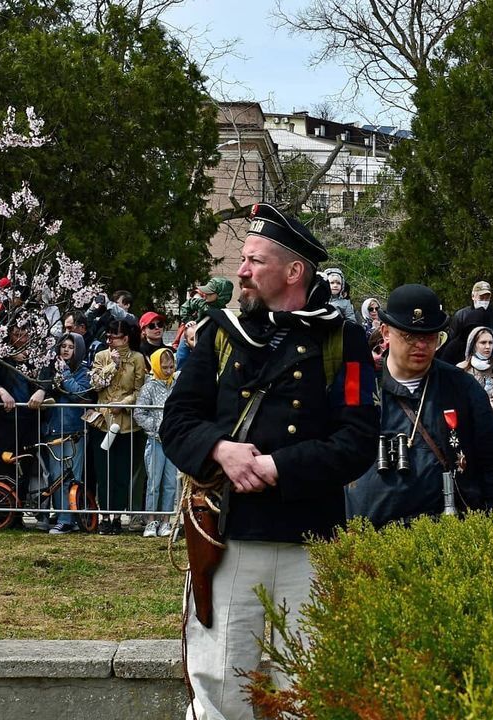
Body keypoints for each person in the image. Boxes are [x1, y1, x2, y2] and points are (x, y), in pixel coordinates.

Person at [161, 202, 378, 720]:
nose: (241, 271)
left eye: (255, 261)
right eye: (244, 259)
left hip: (309, 539)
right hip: (230, 537)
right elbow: (178, 422)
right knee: (220, 679)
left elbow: (358, 436)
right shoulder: (218, 334)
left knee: (306, 683)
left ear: (294, 271)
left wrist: (279, 467)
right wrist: (221, 450)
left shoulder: (342, 342)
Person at [345, 284, 493, 527]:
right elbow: (333, 448)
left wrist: (491, 517)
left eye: (430, 337)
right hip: (368, 531)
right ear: (386, 332)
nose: (421, 346)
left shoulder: (462, 386)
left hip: (446, 529)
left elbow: (492, 459)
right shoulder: (355, 381)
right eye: (409, 336)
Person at [86, 317, 147, 534]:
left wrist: (125, 404)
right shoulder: (102, 356)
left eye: (115, 337)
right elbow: (95, 384)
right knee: (104, 473)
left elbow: (140, 390)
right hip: (103, 422)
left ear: (126, 338)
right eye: (109, 336)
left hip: (127, 424)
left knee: (122, 473)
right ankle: (104, 515)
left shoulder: (138, 359)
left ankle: (117, 516)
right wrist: (112, 365)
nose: (111, 340)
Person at [0, 324, 42, 509]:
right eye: (16, 334)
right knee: (3, 464)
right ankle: (4, 509)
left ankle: (19, 510)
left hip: (29, 419)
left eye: (24, 334)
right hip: (6, 418)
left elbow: (49, 378)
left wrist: (42, 390)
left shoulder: (39, 355)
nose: (19, 339)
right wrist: (0, 390)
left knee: (26, 464)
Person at [33, 332, 91, 535]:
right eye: (63, 346)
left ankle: (68, 518)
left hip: (73, 430)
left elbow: (80, 394)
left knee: (71, 476)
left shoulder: (82, 371)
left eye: (70, 346)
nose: (65, 350)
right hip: (53, 429)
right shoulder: (49, 370)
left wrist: (65, 373)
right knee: (56, 477)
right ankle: (61, 516)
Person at [134, 347, 179, 538]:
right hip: (155, 440)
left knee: (170, 483)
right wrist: (156, 427)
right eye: (164, 367)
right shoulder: (149, 387)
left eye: (171, 366)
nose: (168, 370)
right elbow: (139, 412)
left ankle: (166, 521)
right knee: (154, 483)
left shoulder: (177, 384)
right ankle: (151, 521)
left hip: (173, 441)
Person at [441, 281, 493, 375]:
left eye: (487, 297)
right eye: (481, 297)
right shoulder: (461, 316)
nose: (484, 300)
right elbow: (454, 341)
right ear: (473, 296)